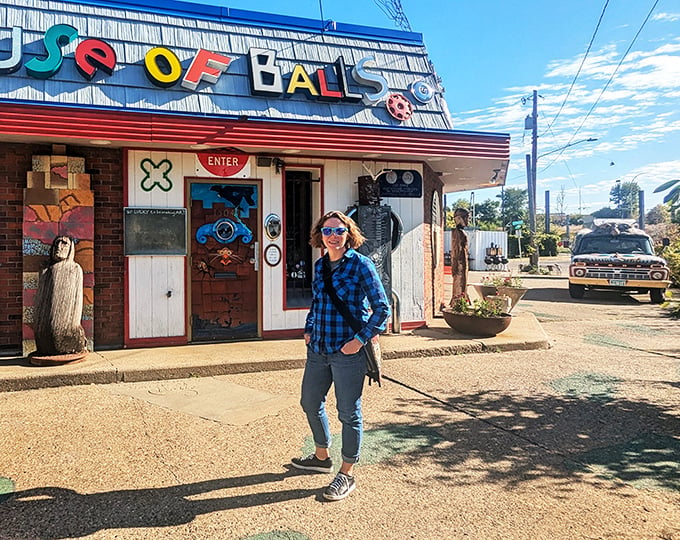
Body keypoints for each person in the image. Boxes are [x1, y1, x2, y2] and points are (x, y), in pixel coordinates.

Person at [291, 210, 390, 501]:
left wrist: (359, 341)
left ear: (349, 234)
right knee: (309, 402)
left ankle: (346, 473)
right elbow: (317, 303)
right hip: (318, 349)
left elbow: (382, 309)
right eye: (327, 231)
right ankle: (322, 456)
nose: (333, 236)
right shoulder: (320, 266)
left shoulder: (361, 265)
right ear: (319, 236)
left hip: (348, 353)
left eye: (339, 231)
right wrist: (309, 329)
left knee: (348, 413)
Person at [33, 235, 87, 356]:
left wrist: (72, 324)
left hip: (67, 326)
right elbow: (40, 299)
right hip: (44, 326)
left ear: (71, 249)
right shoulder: (45, 269)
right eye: (56, 244)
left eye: (64, 244)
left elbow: (77, 301)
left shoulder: (75, 269)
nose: (59, 247)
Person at [449, 207, 470, 304]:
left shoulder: (461, 232)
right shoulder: (457, 233)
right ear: (459, 219)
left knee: (463, 283)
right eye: (466, 218)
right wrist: (456, 266)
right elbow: (456, 250)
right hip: (460, 264)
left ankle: (462, 299)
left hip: (463, 263)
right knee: (459, 283)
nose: (467, 220)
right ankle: (458, 301)